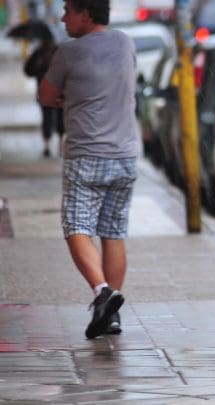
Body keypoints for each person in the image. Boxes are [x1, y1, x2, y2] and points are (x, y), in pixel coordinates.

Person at [38, 0, 139, 339]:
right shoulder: (125, 43)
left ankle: (102, 291)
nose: (63, 17)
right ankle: (110, 316)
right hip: (125, 156)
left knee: (76, 226)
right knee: (113, 232)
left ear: (86, 13)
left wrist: (69, 99)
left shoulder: (69, 52)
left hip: (87, 156)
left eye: (68, 10)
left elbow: (46, 96)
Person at [24, 34, 65, 157]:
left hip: (59, 91)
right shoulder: (38, 53)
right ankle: (47, 145)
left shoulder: (60, 52)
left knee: (60, 118)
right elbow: (28, 70)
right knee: (47, 117)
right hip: (45, 92)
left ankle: (59, 145)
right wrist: (37, 64)